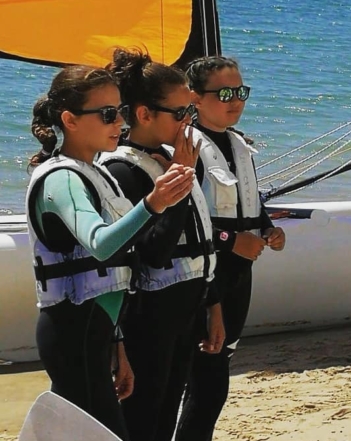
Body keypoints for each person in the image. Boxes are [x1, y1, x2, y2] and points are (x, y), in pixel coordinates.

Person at [26, 65, 194, 439]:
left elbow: (107, 281)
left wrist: (117, 345)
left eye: (120, 111)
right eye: (106, 114)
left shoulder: (94, 172)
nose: (119, 121)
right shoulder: (62, 179)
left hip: (94, 334)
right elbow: (101, 244)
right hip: (73, 334)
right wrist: (154, 202)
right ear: (69, 119)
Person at [96, 48, 225, 441]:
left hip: (186, 307)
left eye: (191, 112)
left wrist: (213, 304)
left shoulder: (172, 159)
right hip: (148, 317)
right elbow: (153, 252)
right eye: (180, 114)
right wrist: (180, 185)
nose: (190, 123)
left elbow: (201, 238)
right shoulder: (122, 169)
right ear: (144, 114)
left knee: (168, 414)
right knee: (143, 420)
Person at [175, 56, 286, 441]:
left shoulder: (239, 144)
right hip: (206, 281)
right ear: (195, 97)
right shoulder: (186, 148)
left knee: (217, 375)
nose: (235, 100)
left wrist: (269, 229)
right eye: (224, 93)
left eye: (240, 91)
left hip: (240, 275)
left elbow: (249, 204)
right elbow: (183, 221)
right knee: (206, 384)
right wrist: (232, 241)